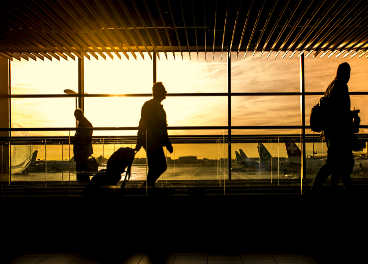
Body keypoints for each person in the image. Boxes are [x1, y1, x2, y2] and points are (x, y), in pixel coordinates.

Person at [311, 62, 355, 194]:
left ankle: (327, 188)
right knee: (340, 165)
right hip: (339, 134)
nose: (348, 76)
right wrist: (350, 116)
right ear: (345, 73)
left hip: (331, 133)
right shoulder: (340, 87)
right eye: (348, 73)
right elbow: (340, 112)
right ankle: (316, 188)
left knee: (336, 165)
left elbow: (334, 111)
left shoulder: (331, 87)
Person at [135, 82, 173, 189]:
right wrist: (167, 143)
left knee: (154, 167)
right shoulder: (155, 107)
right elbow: (161, 128)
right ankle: (146, 187)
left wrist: (139, 141)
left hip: (150, 141)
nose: (166, 92)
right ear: (158, 92)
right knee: (161, 166)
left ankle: (147, 188)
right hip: (153, 142)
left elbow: (142, 124)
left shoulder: (148, 105)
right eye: (164, 89)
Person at [73, 109, 93, 183]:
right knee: (84, 169)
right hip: (84, 149)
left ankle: (82, 184)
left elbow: (82, 137)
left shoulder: (83, 123)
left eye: (76, 115)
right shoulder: (86, 123)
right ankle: (84, 184)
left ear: (79, 114)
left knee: (81, 169)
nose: (75, 117)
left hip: (81, 150)